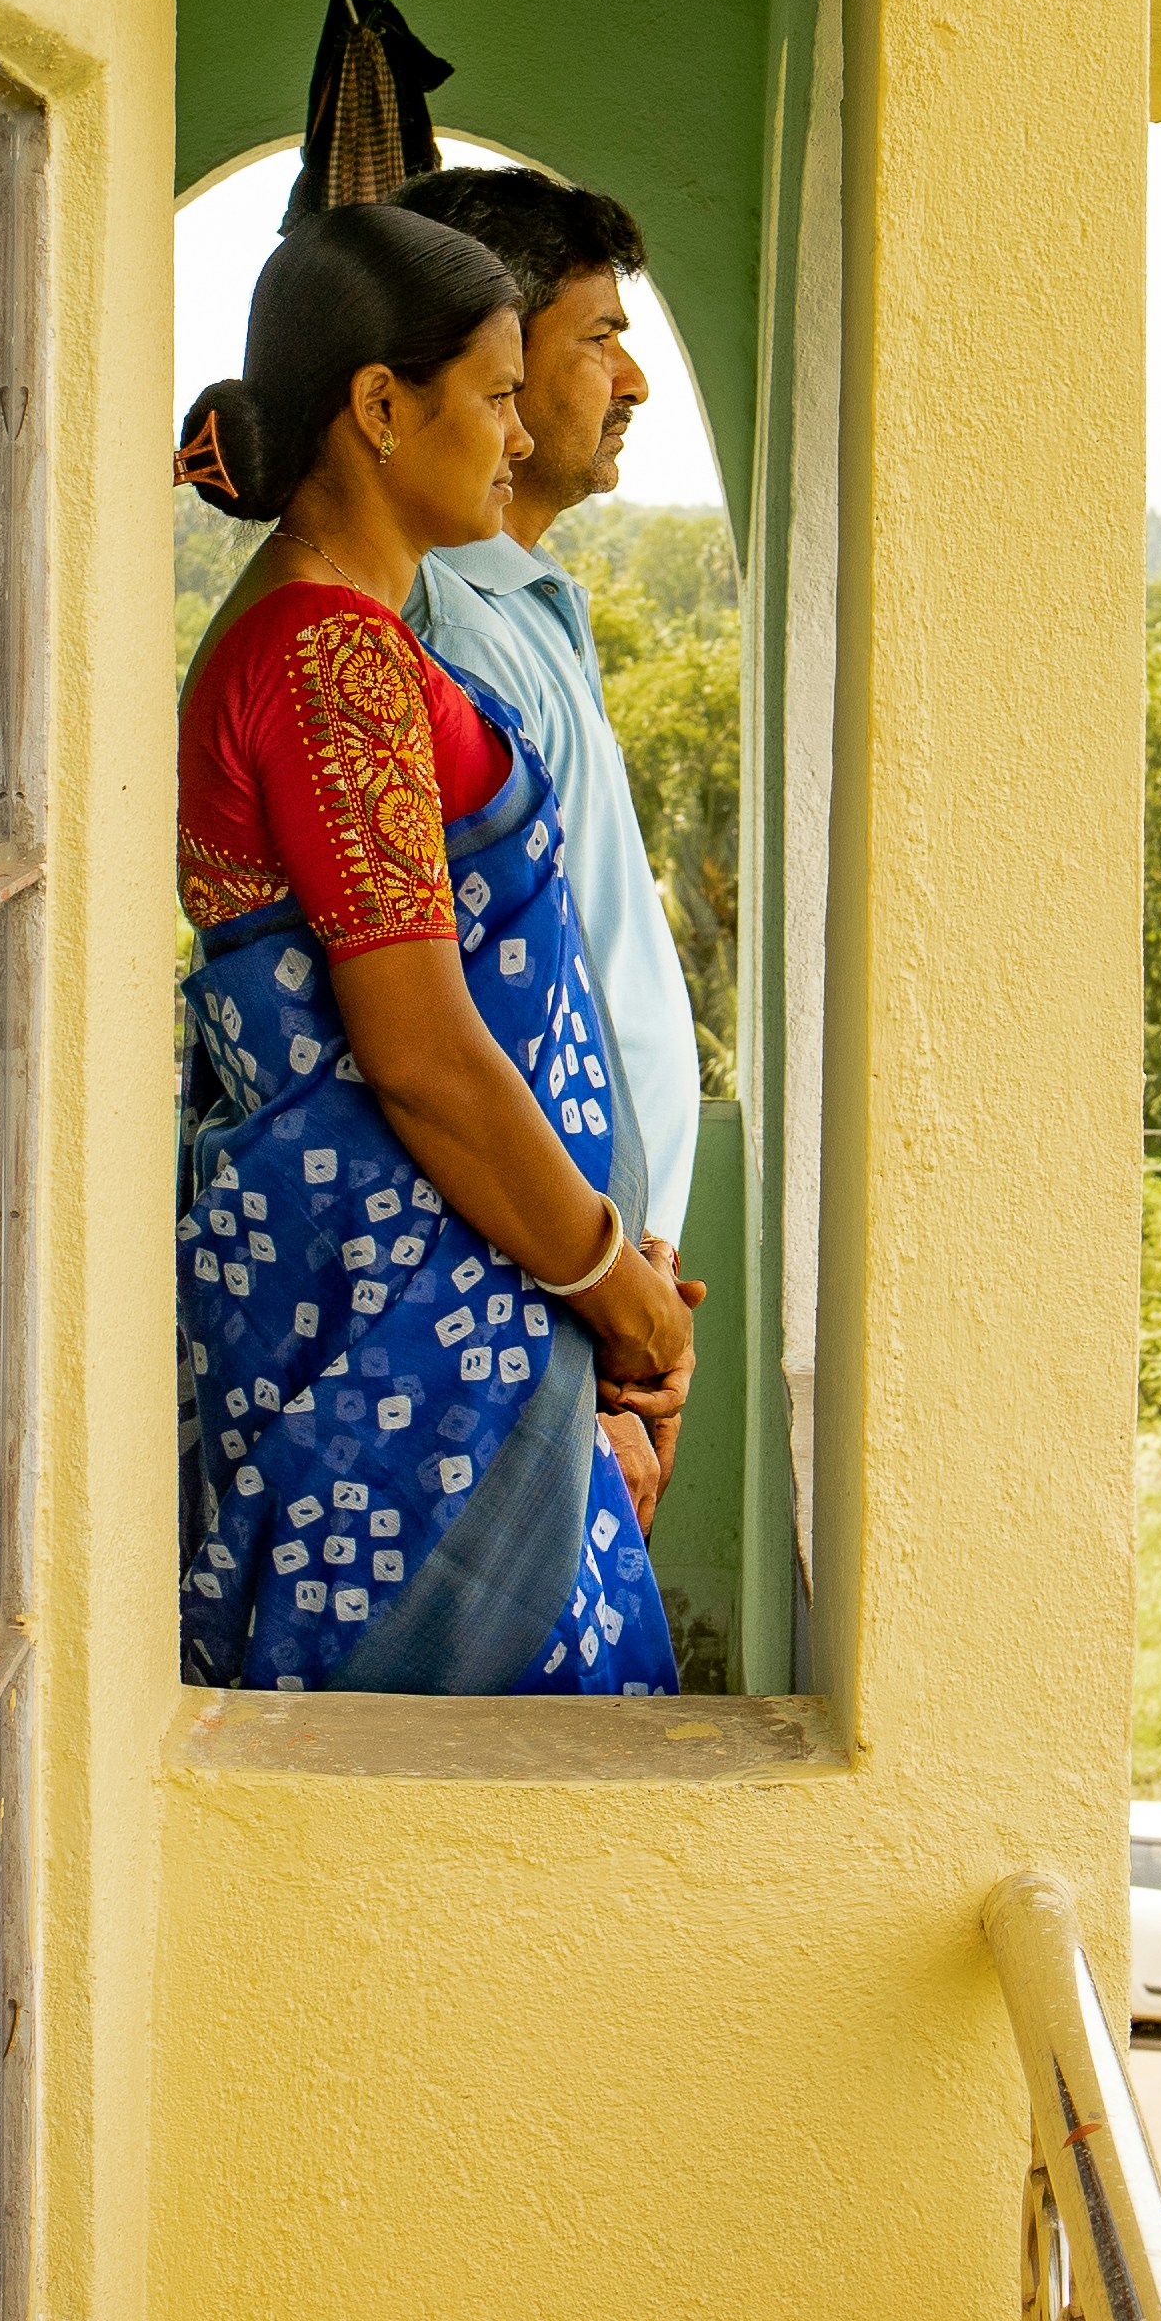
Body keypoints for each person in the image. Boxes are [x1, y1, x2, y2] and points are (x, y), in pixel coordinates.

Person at [173, 204, 698, 1693]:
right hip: (407, 1325)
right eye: (493, 395)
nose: (519, 437)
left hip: (468, 1293)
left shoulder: (356, 635)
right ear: (383, 407)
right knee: (458, 1780)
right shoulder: (328, 659)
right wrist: (607, 1277)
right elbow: (416, 1055)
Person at [385, 163, 707, 1519]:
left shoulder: (516, 607)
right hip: (545, 1300)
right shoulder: (448, 633)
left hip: (598, 1283)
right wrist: (604, 1334)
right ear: (500, 363)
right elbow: (480, 1024)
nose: (631, 382)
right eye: (599, 339)